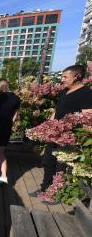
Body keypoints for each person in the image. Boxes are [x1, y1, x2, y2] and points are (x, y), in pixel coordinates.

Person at [40, 64, 92, 193]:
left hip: (68, 138)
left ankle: (55, 193)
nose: (62, 79)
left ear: (77, 77)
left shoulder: (86, 93)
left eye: (65, 77)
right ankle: (45, 188)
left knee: (61, 167)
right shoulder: (65, 91)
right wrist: (49, 125)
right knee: (48, 162)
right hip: (54, 135)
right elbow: (58, 110)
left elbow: (88, 116)